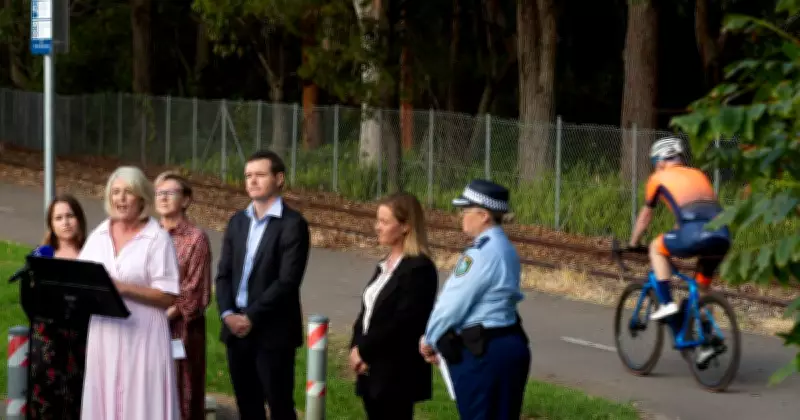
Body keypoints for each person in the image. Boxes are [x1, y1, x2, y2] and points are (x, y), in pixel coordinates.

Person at [419, 179, 531, 420]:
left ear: (483, 215)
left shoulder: (480, 254)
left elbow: (451, 305)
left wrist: (429, 338)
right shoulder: (505, 248)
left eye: (465, 211)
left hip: (484, 354)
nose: (461, 216)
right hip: (509, 343)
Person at [78, 166, 181, 420]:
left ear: (142, 198)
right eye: (115, 192)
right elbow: (81, 277)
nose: (120, 199)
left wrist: (122, 287)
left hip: (143, 335)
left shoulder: (157, 239)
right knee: (104, 396)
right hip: (105, 332)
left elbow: (167, 296)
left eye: (128, 192)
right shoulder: (98, 235)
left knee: (141, 402)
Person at [215, 150, 311, 420]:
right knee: (248, 407)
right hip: (236, 331)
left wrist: (251, 317)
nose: (252, 181)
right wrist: (227, 314)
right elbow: (223, 275)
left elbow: (288, 281)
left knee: (279, 406)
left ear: (279, 179)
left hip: (272, 332)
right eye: (248, 176)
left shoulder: (293, 225)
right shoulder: (237, 222)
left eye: (259, 175)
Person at [628, 136, 731, 363]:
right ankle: (707, 341)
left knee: (656, 247)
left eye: (655, 162)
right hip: (722, 235)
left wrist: (634, 242)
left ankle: (666, 304)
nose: (656, 166)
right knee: (701, 289)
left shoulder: (658, 178)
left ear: (661, 161)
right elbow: (695, 211)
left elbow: (646, 215)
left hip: (694, 234)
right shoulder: (698, 174)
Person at [349, 192, 439, 420]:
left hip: (395, 373)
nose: (377, 227)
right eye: (377, 220)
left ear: (406, 226)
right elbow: (368, 311)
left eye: (384, 221)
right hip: (371, 369)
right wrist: (355, 346)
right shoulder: (384, 265)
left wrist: (364, 350)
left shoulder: (419, 269)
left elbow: (403, 323)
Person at [155, 171, 213, 420]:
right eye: (159, 193)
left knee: (183, 394)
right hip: (148, 324)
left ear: (186, 200)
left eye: (170, 193)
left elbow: (194, 289)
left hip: (182, 329)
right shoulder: (148, 234)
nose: (163, 198)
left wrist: (163, 317)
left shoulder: (195, 239)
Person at [27, 194, 90, 420]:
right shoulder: (43, 255)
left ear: (79, 219)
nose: (65, 222)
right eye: (58, 218)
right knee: (47, 405)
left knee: (77, 401)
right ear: (51, 224)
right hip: (47, 345)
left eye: (70, 216)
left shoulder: (92, 253)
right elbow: (30, 302)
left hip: (82, 342)